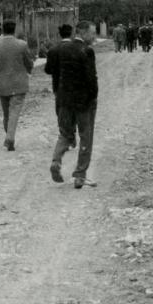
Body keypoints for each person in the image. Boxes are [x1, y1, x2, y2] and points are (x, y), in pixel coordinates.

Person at [45, 20, 98, 189]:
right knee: (85, 136)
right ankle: (80, 175)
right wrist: (93, 97)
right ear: (82, 33)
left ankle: (56, 160)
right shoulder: (87, 51)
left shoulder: (62, 49)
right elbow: (91, 79)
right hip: (83, 102)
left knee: (65, 134)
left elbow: (55, 73)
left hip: (64, 100)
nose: (94, 35)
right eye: (92, 32)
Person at [0, 20, 34, 151]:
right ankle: (9, 139)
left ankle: (9, 138)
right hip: (19, 83)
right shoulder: (22, 45)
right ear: (14, 30)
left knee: (7, 113)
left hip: (2, 84)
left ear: (2, 30)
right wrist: (29, 71)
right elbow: (29, 62)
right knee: (14, 112)